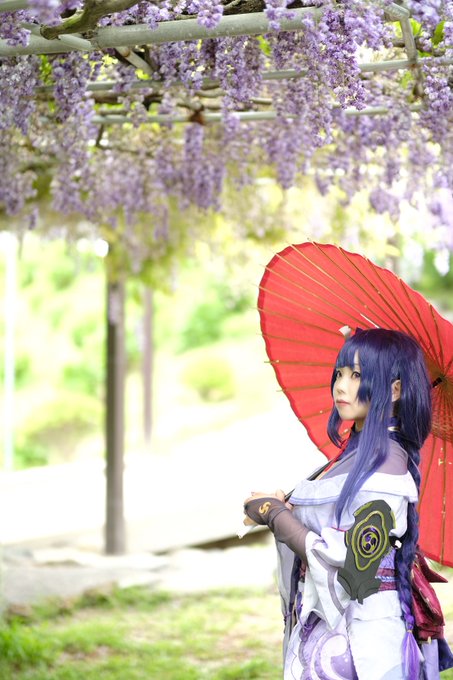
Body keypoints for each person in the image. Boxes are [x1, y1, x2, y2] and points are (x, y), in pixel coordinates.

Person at [243, 327, 453, 680]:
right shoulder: (353, 456)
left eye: (357, 376)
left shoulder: (387, 465)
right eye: (340, 373)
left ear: (395, 390)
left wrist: (274, 514)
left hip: (363, 642)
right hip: (331, 631)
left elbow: (346, 564)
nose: (341, 386)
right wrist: (285, 510)